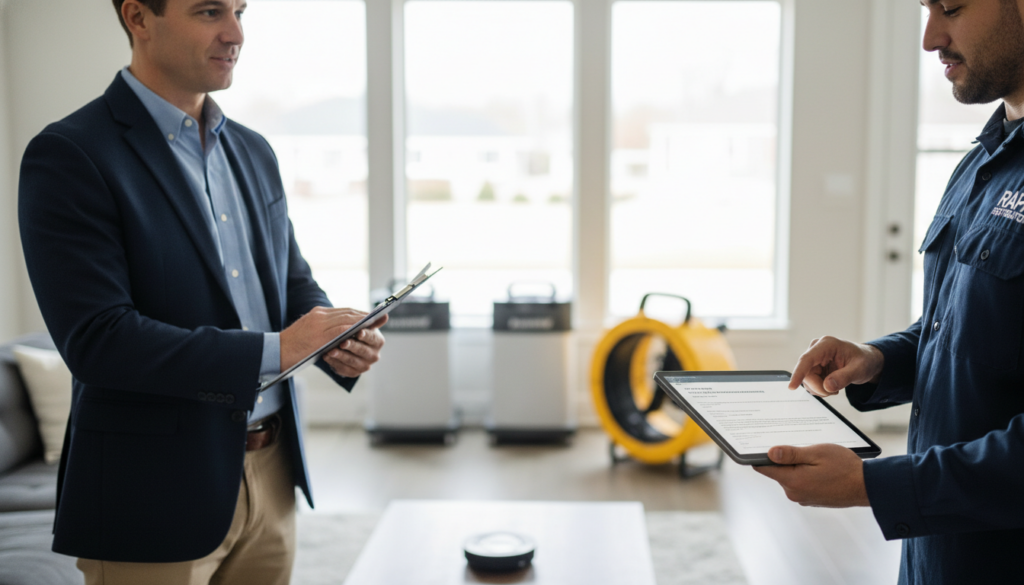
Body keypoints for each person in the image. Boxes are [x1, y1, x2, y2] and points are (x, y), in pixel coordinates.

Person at [17, 0, 386, 583]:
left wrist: (331, 335)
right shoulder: (71, 154)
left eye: (241, 11)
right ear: (138, 18)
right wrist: (278, 349)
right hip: (152, 489)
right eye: (210, 11)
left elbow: (288, 280)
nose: (236, 33)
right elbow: (97, 339)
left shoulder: (253, 150)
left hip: (273, 473)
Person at [755, 0, 1024, 583]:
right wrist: (878, 360)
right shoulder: (983, 162)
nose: (930, 38)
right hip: (936, 557)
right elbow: (964, 325)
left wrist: (871, 485)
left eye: (950, 7)